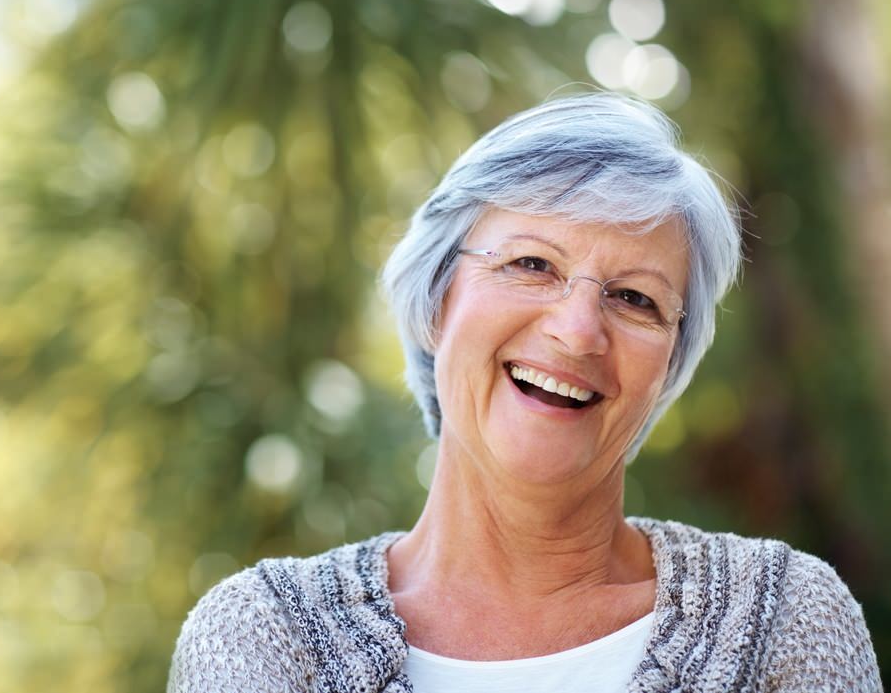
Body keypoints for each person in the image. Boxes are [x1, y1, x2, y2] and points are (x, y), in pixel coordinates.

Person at [168, 93, 881, 692]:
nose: (578, 332)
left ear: (669, 363)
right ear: (439, 296)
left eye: (635, 298)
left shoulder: (784, 622)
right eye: (532, 263)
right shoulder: (264, 638)